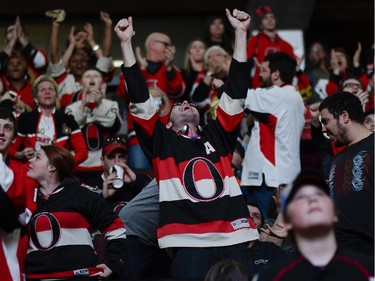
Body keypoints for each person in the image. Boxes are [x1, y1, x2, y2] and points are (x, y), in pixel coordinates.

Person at [115, 8, 259, 279]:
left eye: (189, 103)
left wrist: (241, 34)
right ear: (167, 124)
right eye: (179, 105)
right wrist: (125, 44)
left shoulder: (217, 136)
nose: (185, 103)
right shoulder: (162, 143)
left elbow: (237, 90)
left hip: (232, 236)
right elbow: (140, 99)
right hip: (188, 242)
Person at [24, 145, 126, 280]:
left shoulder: (81, 193)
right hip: (36, 277)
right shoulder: (26, 197)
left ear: (52, 167)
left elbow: (116, 227)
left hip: (79, 276)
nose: (30, 160)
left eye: (37, 157)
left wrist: (113, 264)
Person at [254, 170, 374, 281]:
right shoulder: (270, 278)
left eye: (320, 194)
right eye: (301, 198)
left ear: (335, 214)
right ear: (288, 221)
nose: (312, 199)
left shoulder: (368, 271)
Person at [241, 52, 305, 223]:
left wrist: (218, 83)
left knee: (265, 233)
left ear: (276, 74)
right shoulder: (295, 97)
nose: (259, 75)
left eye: (263, 70)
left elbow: (237, 96)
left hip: (269, 180)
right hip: (280, 177)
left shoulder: (277, 94)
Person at [116, 28, 186, 170]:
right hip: (140, 134)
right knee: (141, 175)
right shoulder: (133, 68)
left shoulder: (172, 69)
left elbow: (178, 91)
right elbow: (125, 91)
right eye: (166, 44)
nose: (170, 49)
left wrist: (169, 69)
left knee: (170, 176)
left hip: (168, 134)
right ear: (152, 44)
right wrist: (140, 70)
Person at [319, 92, 374, 256]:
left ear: (344, 116)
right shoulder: (337, 159)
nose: (323, 128)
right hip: (340, 256)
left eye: (326, 121)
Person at [6, 75, 88, 166]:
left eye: (51, 89)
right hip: (30, 169)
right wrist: (19, 155)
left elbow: (82, 151)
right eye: (42, 90)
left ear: (56, 96)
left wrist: (65, 165)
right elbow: (8, 148)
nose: (47, 92)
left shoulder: (68, 119)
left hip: (58, 172)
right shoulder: (25, 119)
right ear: (36, 98)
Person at [65, 68, 122, 183]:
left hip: (102, 163)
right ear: (80, 84)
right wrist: (82, 106)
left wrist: (99, 104)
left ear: (103, 83)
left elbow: (114, 125)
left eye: (95, 76)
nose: (91, 79)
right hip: (78, 163)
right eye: (87, 76)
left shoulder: (111, 104)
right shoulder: (71, 107)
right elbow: (68, 130)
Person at [0, 107, 38, 281]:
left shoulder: (24, 172)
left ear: (14, 138)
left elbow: (26, 217)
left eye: (7, 128)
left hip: (9, 250)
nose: (1, 133)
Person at [49, 11, 115, 107]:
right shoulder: (65, 78)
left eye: (82, 61)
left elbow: (105, 55)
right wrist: (71, 43)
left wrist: (92, 41)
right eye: (78, 38)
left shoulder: (95, 75)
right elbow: (54, 55)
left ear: (87, 63)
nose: (79, 64)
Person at [88, 136, 152, 211]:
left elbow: (153, 202)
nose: (117, 161)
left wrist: (136, 180)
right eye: (111, 157)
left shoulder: (137, 180)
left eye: (121, 157)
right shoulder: (91, 184)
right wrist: (103, 196)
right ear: (102, 161)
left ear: (127, 159)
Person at [247, 6, 295, 88]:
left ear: (276, 21)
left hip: (280, 86)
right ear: (261, 23)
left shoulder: (286, 45)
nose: (269, 20)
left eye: (272, 17)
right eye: (265, 18)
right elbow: (244, 61)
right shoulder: (254, 41)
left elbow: (291, 67)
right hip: (259, 85)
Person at [247, 202, 286, 275]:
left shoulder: (271, 250)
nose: (250, 217)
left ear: (261, 227)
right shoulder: (225, 250)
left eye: (256, 216)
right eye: (245, 213)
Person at [180, 38, 206, 102]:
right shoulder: (182, 73)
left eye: (201, 47)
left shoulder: (210, 73)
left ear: (206, 52)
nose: (197, 50)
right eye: (194, 47)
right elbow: (184, 95)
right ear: (189, 53)